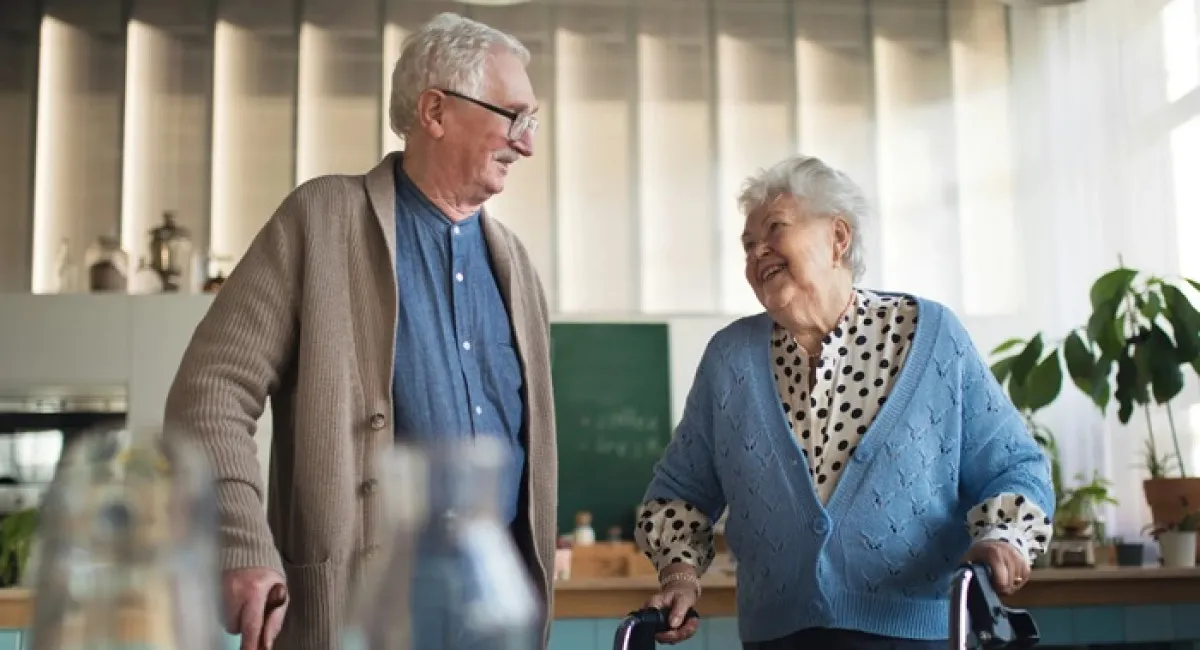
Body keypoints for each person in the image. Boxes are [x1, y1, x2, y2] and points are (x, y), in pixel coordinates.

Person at [163, 13, 557, 650]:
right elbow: (208, 392)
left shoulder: (516, 266)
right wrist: (241, 542)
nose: (527, 143)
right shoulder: (320, 219)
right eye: (514, 117)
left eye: (531, 122)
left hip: (492, 618)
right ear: (435, 110)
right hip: (353, 617)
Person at [633, 155, 1055, 650]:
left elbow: (1014, 465)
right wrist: (680, 575)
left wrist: (1003, 539)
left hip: (917, 636)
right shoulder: (730, 358)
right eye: (747, 246)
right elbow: (678, 492)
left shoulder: (929, 336)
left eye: (775, 230)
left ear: (838, 238)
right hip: (779, 639)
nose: (757, 253)